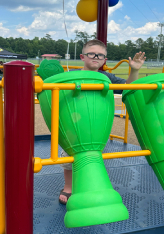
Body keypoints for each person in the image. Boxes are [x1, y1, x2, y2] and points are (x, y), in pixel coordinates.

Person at [58, 39, 146, 205]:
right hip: (74, 123)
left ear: (105, 60)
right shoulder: (72, 75)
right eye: (92, 54)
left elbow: (129, 87)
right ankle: (68, 187)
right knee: (69, 157)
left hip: (95, 125)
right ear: (82, 56)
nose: (96, 57)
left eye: (101, 55)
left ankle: (90, 184)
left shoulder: (106, 77)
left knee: (93, 156)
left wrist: (134, 70)